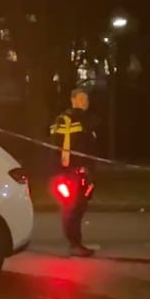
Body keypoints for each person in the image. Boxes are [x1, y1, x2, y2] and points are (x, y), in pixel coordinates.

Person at [49, 87, 99, 257]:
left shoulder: (87, 120)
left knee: (78, 207)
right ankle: (75, 244)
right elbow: (59, 146)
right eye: (81, 99)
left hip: (83, 171)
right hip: (72, 172)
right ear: (73, 100)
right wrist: (67, 168)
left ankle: (76, 242)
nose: (84, 102)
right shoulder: (67, 120)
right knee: (72, 208)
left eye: (86, 99)